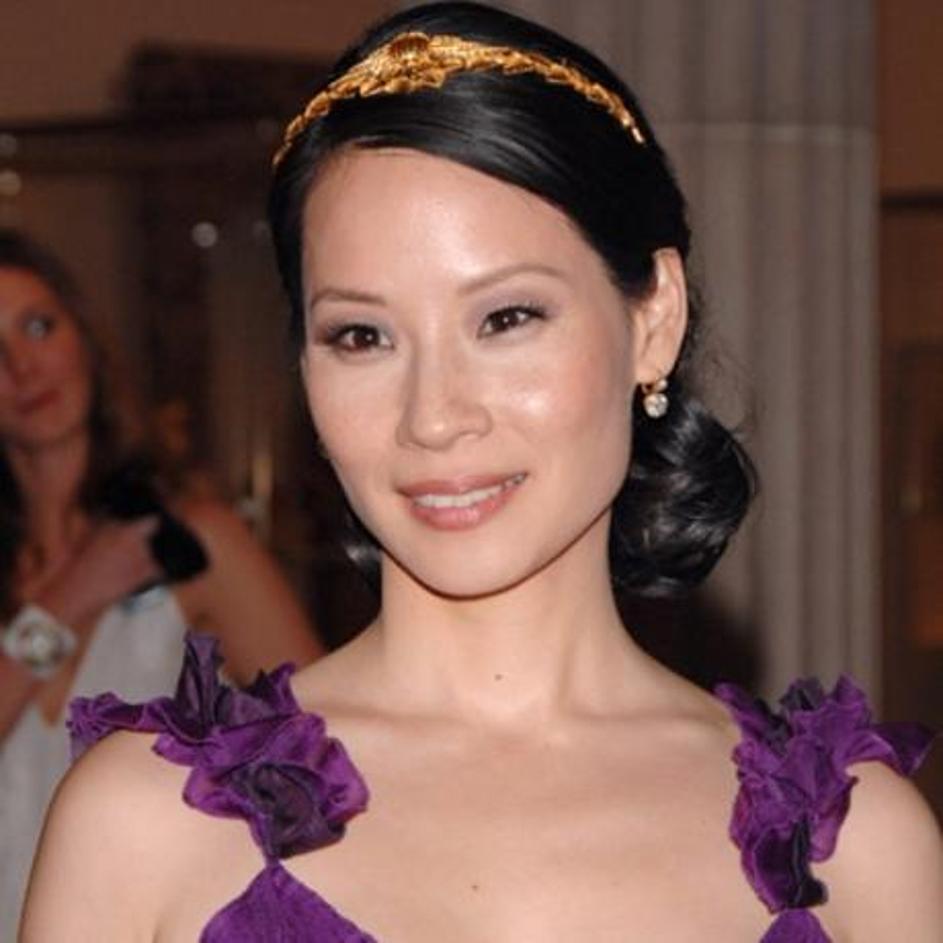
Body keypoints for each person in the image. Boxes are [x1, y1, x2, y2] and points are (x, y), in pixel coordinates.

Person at [21, 3, 943, 940]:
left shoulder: (854, 846)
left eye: (505, 319)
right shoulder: (145, 826)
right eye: (362, 336)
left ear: (652, 321)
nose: (433, 416)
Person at [0, 229, 322, 939]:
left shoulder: (196, 541)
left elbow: (325, 747)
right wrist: (73, 596)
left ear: (85, 338)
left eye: (38, 327)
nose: (22, 367)